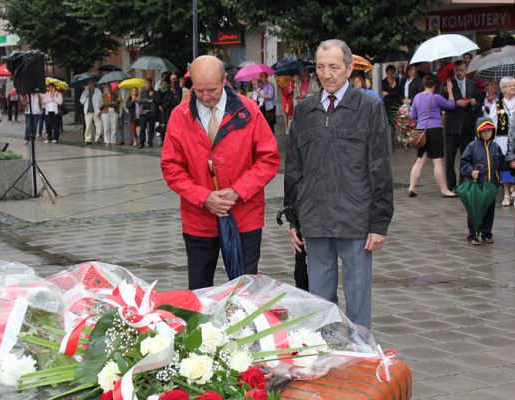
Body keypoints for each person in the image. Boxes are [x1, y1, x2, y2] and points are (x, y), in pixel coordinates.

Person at [284, 39, 394, 329]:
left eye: (333, 66)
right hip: (315, 219)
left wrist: (379, 223)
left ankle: (360, 354)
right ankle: (327, 353)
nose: (326, 73)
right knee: (321, 300)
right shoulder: (304, 110)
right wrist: (294, 219)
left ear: (348, 68)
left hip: (356, 219)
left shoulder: (369, 107)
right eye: (320, 67)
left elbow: (381, 166)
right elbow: (294, 167)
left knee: (358, 298)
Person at [161, 55, 280, 290]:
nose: (206, 97)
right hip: (199, 218)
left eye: (212, 90)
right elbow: (171, 167)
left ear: (225, 80)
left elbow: (268, 159)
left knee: (244, 289)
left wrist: (237, 191)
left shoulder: (249, 111)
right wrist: (203, 197)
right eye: (199, 90)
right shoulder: (180, 115)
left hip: (244, 214)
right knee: (199, 288)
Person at [407, 74, 457, 198]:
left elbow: (413, 115)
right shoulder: (436, 97)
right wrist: (450, 91)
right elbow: (452, 105)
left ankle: (411, 188)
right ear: (435, 85)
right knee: (438, 161)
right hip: (434, 130)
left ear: (424, 84)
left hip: (420, 131)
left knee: (420, 161)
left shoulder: (417, 97)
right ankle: (444, 190)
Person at [460, 117, 506, 245]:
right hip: (477, 186)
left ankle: (486, 233)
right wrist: (470, 171)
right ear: (478, 132)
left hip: (491, 185)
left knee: (489, 211)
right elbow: (464, 162)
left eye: (489, 131)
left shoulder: (496, 147)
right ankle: (473, 234)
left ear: (493, 131)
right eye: (483, 131)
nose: (486, 133)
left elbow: (502, 163)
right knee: (474, 210)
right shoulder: (472, 146)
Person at [441, 60, 481, 192]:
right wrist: (454, 103)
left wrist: (474, 103)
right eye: (456, 70)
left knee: (466, 156)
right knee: (450, 157)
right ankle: (451, 185)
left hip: (467, 126)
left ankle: (463, 183)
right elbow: (441, 103)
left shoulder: (472, 85)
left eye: (462, 70)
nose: (459, 73)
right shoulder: (447, 84)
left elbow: (478, 105)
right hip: (452, 126)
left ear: (466, 70)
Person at [488, 76, 515, 206]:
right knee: (504, 166)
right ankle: (506, 193)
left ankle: (514, 188)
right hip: (503, 139)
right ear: (503, 89)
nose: (513, 88)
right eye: (510, 85)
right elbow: (492, 123)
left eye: (514, 85)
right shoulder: (497, 105)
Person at [80, 80, 102, 144]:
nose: (91, 84)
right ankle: (88, 139)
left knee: (98, 125)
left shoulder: (98, 91)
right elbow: (81, 101)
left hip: (96, 111)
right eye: (89, 83)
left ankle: (97, 138)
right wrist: (86, 95)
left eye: (92, 83)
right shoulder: (85, 92)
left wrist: (100, 110)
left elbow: (101, 100)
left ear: (94, 84)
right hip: (88, 111)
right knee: (88, 126)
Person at [154, 77, 174, 146]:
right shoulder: (159, 92)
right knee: (161, 127)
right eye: (161, 84)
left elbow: (170, 101)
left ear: (167, 84)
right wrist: (159, 105)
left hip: (167, 112)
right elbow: (156, 100)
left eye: (164, 84)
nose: (162, 85)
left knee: (168, 127)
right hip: (160, 112)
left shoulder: (170, 92)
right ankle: (163, 141)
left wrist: (163, 106)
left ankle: (168, 141)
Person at [137, 78, 155, 149]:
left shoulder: (154, 91)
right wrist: (148, 99)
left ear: (151, 84)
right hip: (143, 112)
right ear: (145, 84)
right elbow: (139, 99)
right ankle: (141, 143)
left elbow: (156, 99)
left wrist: (152, 96)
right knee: (142, 128)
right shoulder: (141, 91)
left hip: (151, 112)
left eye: (149, 83)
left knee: (151, 128)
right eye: (146, 83)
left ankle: (150, 142)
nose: (148, 85)